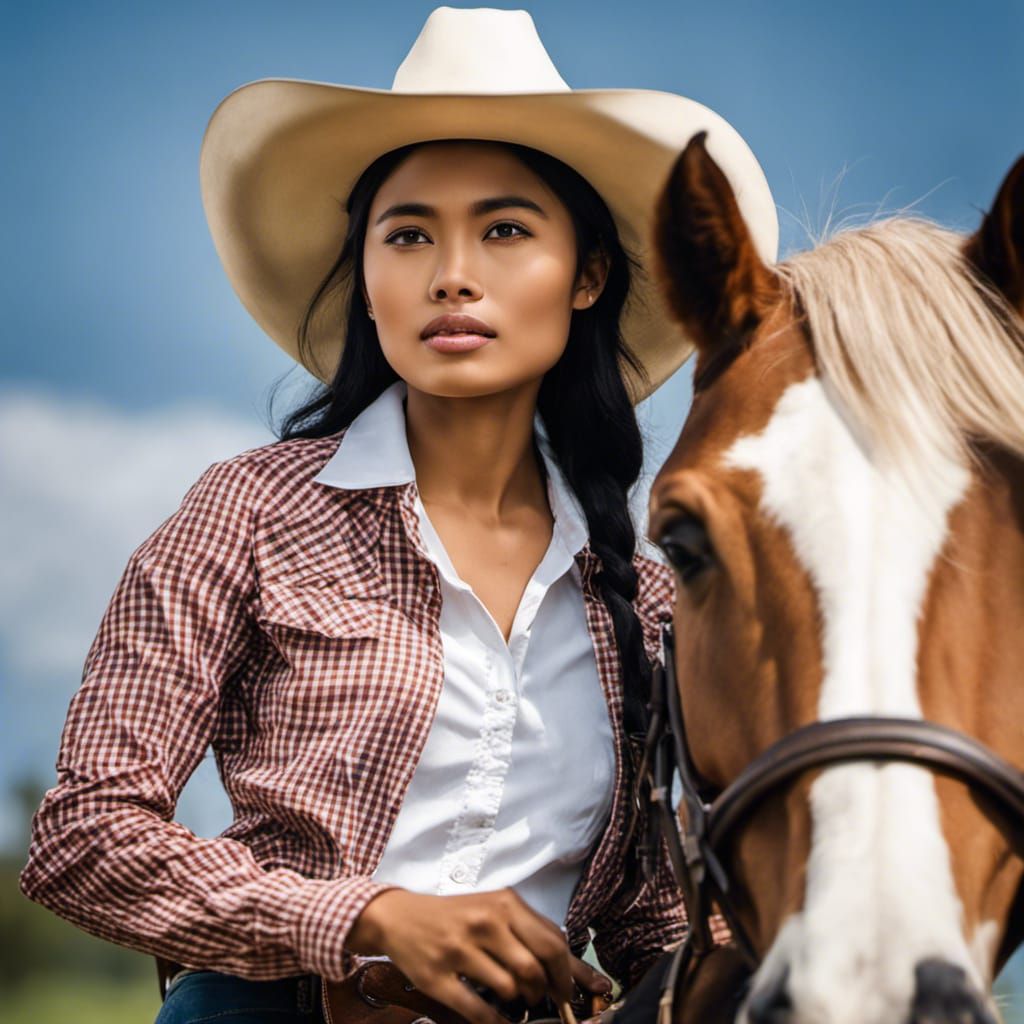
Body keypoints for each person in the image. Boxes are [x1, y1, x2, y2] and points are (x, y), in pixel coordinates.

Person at [19, 8, 777, 1024]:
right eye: (408, 233)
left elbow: (648, 927)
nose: (450, 272)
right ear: (367, 280)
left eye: (505, 229)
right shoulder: (247, 512)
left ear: (588, 276)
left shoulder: (638, 601)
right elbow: (84, 836)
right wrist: (367, 917)